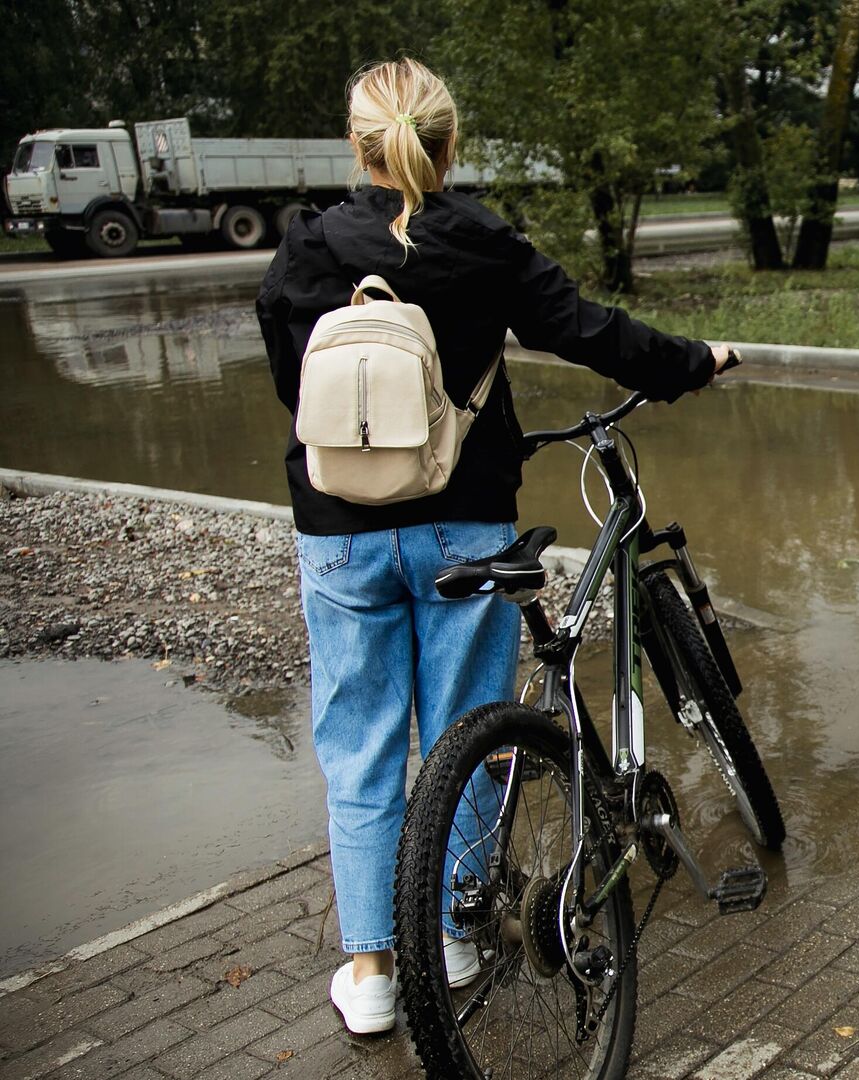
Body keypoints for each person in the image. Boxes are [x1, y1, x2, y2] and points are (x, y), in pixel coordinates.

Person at [255, 57, 730, 1035]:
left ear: (357, 146)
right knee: (473, 735)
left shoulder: (306, 249)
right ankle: (458, 935)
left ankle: (374, 971)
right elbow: (589, 332)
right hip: (461, 527)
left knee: (361, 753)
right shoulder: (484, 243)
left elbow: (292, 388)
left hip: (340, 535)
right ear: (450, 143)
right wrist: (692, 363)